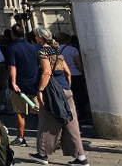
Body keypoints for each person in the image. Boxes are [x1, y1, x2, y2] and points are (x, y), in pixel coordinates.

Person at [30, 27, 87, 165]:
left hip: (52, 92)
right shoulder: (57, 51)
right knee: (71, 124)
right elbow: (67, 72)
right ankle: (81, 157)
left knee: (46, 122)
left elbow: (47, 72)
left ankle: (42, 154)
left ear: (39, 38)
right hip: (66, 90)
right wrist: (67, 87)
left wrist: (40, 90)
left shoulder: (42, 51)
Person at [6, 28, 41, 147]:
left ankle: (21, 138)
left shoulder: (11, 47)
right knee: (39, 111)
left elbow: (12, 66)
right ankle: (46, 136)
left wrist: (13, 82)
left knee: (19, 112)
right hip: (34, 82)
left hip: (19, 85)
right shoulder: (32, 47)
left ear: (12, 34)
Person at [59, 35, 89, 125]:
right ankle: (82, 115)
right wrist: (83, 73)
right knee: (79, 96)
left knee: (67, 96)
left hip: (63, 76)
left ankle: (69, 114)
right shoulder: (73, 50)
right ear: (68, 40)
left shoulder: (56, 50)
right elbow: (79, 64)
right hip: (76, 75)